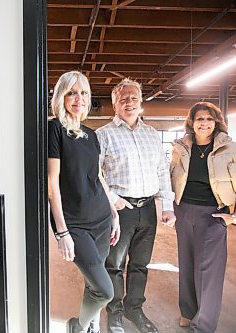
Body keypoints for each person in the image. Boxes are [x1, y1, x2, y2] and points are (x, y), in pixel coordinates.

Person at [96, 78, 176, 333]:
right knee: (115, 265)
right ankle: (115, 312)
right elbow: (93, 173)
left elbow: (162, 171)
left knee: (141, 264)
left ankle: (134, 309)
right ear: (114, 104)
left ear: (141, 102)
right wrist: (112, 199)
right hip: (120, 210)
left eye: (133, 98)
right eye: (123, 98)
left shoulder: (152, 135)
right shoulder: (104, 135)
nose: (129, 102)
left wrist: (167, 205)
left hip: (148, 210)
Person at [48, 71, 121, 333]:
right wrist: (62, 231)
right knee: (104, 290)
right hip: (75, 223)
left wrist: (114, 213)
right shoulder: (54, 128)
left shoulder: (92, 135)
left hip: (101, 218)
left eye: (83, 93)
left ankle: (90, 326)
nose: (78, 98)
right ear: (61, 96)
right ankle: (77, 325)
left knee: (93, 283)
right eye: (71, 92)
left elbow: (98, 176)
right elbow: (52, 183)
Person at [170, 101, 236, 333]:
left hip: (213, 214)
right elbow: (170, 178)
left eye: (209, 118)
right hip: (183, 210)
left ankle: (203, 325)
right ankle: (187, 312)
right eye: (199, 119)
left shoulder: (232, 149)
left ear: (216, 122)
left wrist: (235, 216)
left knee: (208, 271)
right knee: (186, 264)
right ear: (192, 123)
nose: (204, 123)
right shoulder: (181, 148)